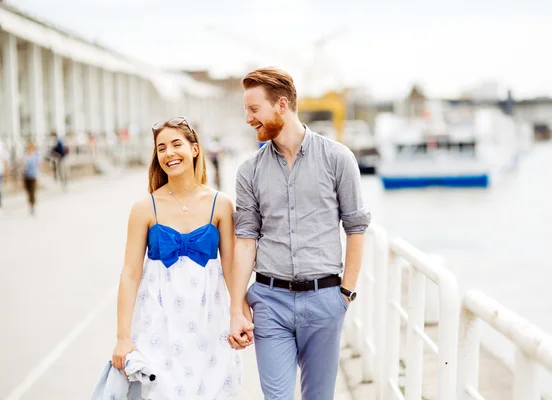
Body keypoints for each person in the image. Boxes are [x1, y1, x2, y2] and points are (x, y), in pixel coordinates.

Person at [228, 67, 371, 399]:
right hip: (270, 301)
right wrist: (237, 307)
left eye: (254, 109)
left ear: (281, 105)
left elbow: (356, 228)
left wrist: (345, 294)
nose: (248, 118)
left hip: (325, 301)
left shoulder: (338, 159)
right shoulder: (249, 171)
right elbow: (246, 240)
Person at [110, 117, 245, 398]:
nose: (169, 153)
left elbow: (232, 268)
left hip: (210, 319)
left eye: (176, 144)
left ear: (195, 149)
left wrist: (240, 314)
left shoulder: (221, 204)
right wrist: (123, 337)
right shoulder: (144, 208)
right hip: (157, 319)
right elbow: (130, 273)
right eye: (161, 148)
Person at [23, 140, 40, 216]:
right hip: (26, 175)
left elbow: (35, 164)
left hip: (33, 175)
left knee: (32, 191)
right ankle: (30, 204)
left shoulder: (35, 155)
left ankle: (32, 206)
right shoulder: (26, 155)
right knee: (28, 191)